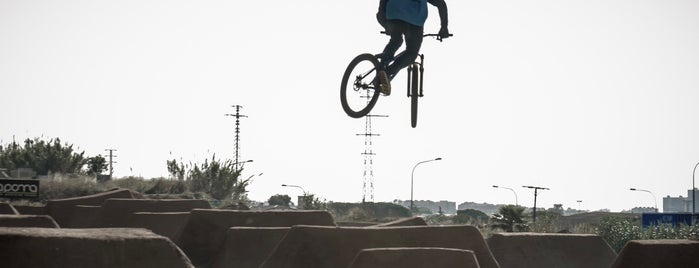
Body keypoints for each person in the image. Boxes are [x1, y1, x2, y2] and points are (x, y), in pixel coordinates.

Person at [376, 0, 450, 95]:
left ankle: (382, 65)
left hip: (392, 15)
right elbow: (441, 4)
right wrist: (444, 27)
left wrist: (385, 23)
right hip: (413, 20)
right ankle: (387, 72)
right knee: (411, 53)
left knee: (396, 40)